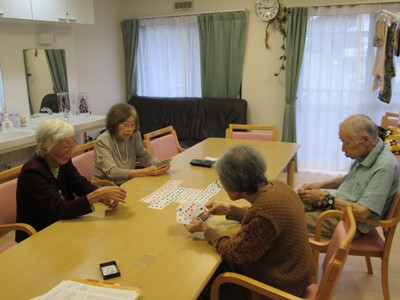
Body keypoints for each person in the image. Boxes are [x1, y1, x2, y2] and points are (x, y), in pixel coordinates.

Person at [185, 145, 314, 300]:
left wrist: (206, 230)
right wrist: (229, 210)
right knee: (216, 265)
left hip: (280, 287)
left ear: (234, 186)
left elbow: (235, 252)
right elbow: (258, 216)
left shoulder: (263, 216)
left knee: (200, 287)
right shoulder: (278, 187)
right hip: (294, 272)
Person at [16, 119, 127, 243]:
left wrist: (102, 196)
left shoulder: (62, 160)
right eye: (64, 147)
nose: (70, 151)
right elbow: (59, 209)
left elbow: (79, 184)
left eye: (71, 145)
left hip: (64, 224)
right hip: (39, 234)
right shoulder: (32, 172)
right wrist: (96, 195)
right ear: (45, 148)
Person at [298, 114, 400, 238]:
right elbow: (350, 179)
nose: (342, 148)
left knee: (292, 220)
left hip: (350, 222)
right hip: (338, 206)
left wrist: (326, 198)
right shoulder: (368, 152)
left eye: (346, 142)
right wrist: (318, 185)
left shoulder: (384, 167)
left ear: (366, 140)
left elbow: (363, 212)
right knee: (293, 201)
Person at [93, 103, 170, 185]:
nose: (129, 129)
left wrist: (157, 164)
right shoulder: (103, 141)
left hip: (128, 182)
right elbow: (112, 172)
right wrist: (145, 172)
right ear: (114, 124)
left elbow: (143, 155)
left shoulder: (135, 134)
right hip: (107, 186)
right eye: (125, 125)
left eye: (132, 125)